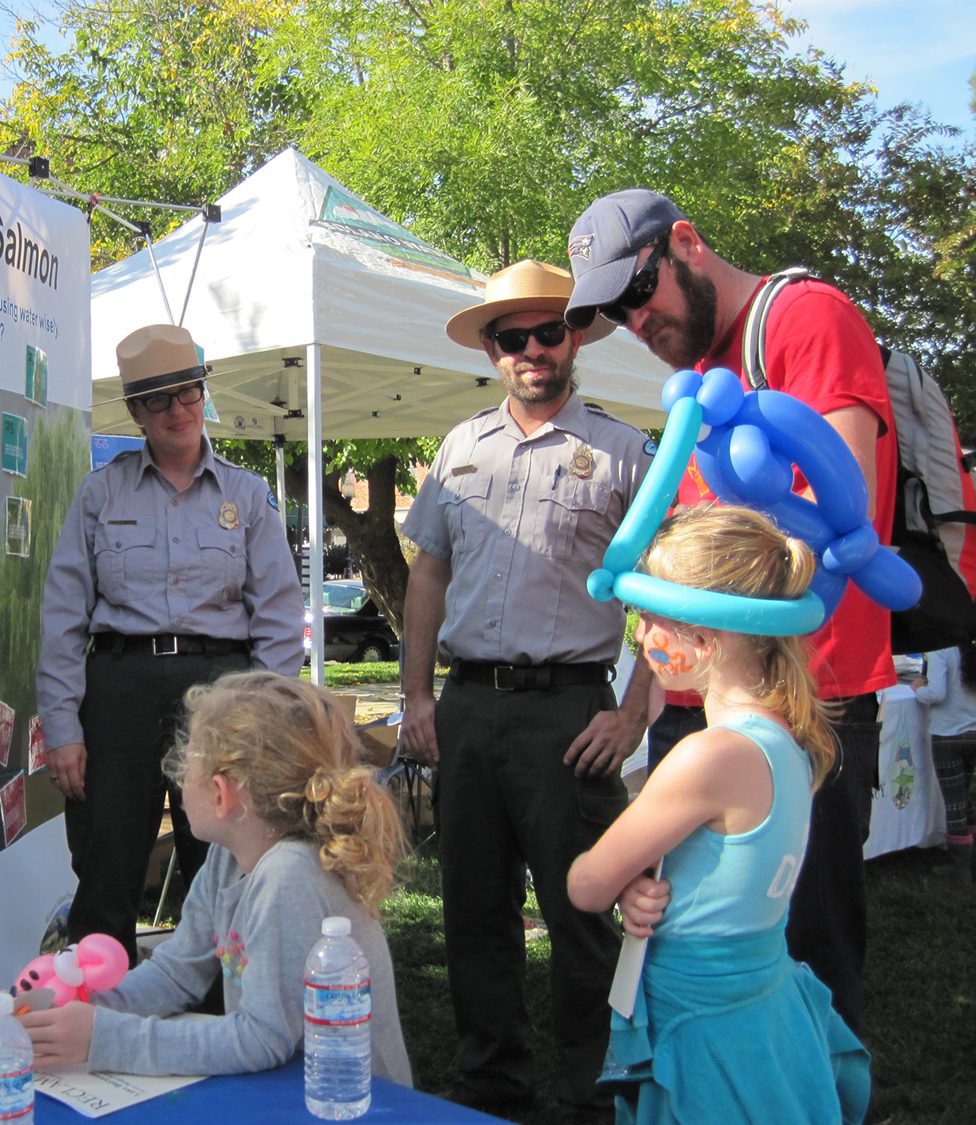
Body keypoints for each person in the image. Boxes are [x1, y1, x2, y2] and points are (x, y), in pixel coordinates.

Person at [565, 189, 895, 1036]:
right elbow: (682, 559)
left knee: (804, 971)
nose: (635, 321)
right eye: (614, 313)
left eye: (639, 292)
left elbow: (838, 498)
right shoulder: (697, 390)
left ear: (687, 243)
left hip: (798, 706)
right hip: (695, 710)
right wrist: (645, 692)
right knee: (684, 937)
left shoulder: (803, 319)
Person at [400, 259, 656, 1119]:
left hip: (571, 712)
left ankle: (596, 1093)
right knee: (474, 909)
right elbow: (428, 577)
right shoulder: (458, 449)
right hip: (468, 706)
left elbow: (660, 585)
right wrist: (417, 697)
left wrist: (633, 709)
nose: (535, 349)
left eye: (551, 331)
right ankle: (492, 1088)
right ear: (494, 351)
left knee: (583, 912)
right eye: (515, 338)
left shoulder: (623, 452)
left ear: (575, 337)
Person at [568, 506, 871, 1125]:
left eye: (651, 618)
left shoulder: (707, 755)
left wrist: (619, 879)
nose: (640, 635)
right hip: (764, 1008)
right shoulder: (787, 737)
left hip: (706, 1031)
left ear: (705, 637)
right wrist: (642, 881)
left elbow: (585, 884)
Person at [36, 324, 304, 966]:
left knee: (224, 873)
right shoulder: (101, 493)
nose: (177, 411)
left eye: (187, 393)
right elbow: (63, 617)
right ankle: (99, 1033)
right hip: (119, 694)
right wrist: (63, 727)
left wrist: (262, 723)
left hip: (220, 697)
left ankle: (229, 1028)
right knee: (105, 875)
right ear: (135, 412)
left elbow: (277, 616)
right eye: (158, 400)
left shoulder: (247, 496)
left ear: (202, 394)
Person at [18, 672, 414, 1084]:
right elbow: (177, 972)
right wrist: (88, 1008)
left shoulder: (289, 876)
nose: (178, 780)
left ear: (222, 794)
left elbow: (263, 1038)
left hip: (354, 1106)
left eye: (184, 767)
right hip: (289, 1093)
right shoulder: (229, 859)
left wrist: (106, 1038)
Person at [911, 637, 976, 882]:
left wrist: (918, 688)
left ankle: (959, 867)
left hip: (947, 735)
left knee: (954, 801)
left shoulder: (942, 649)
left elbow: (936, 693)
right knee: (962, 797)